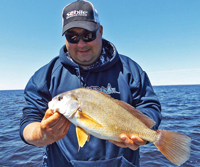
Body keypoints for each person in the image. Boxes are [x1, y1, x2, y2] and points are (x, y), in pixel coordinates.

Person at [20, 0, 162, 166]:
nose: (81, 44)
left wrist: (145, 135)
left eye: (87, 35)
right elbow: (29, 119)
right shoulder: (45, 75)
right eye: (72, 37)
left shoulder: (130, 69)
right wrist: (40, 134)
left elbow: (149, 106)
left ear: (100, 31)